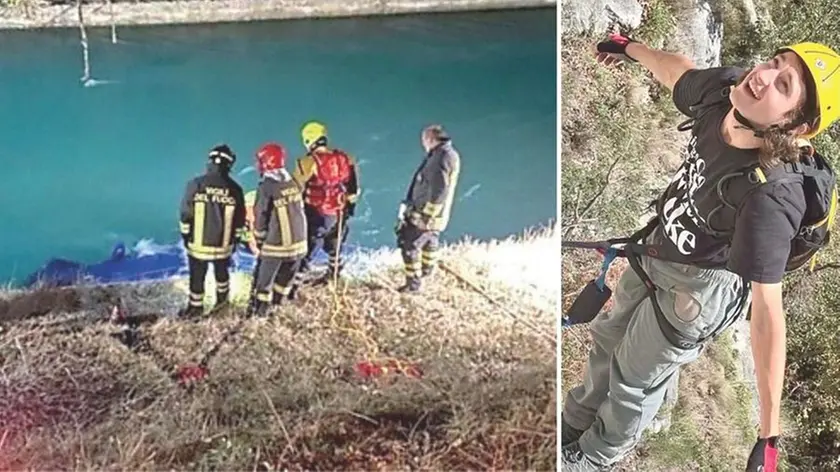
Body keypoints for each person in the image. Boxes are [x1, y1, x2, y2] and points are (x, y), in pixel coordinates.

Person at [560, 33, 840, 472]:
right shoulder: (723, 94)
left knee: (634, 380)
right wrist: (629, 47)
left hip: (700, 290)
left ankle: (594, 456)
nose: (763, 76)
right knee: (608, 341)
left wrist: (768, 436)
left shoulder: (772, 195)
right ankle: (574, 422)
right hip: (657, 246)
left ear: (796, 125)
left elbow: (768, 313)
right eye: (774, 61)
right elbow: (676, 69)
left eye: (784, 86)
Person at [178, 144, 248, 318]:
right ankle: (222, 305)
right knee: (222, 276)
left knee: (197, 278)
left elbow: (185, 214)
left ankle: (195, 310)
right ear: (229, 165)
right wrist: (235, 241)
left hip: (198, 246)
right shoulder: (235, 190)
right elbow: (240, 221)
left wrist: (186, 236)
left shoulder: (195, 184)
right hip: (223, 248)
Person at [291, 120, 360, 285]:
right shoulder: (346, 158)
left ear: (308, 141)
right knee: (335, 247)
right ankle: (334, 275)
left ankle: (293, 288)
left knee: (306, 252)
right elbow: (354, 189)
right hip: (339, 213)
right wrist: (348, 209)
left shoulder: (306, 163)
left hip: (316, 214)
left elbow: (294, 190)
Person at [394, 124, 461, 292]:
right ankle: (427, 269)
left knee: (409, 245)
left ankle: (413, 285)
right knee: (430, 239)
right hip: (436, 216)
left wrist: (426, 215)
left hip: (426, 215)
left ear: (430, 139)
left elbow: (439, 190)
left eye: (424, 140)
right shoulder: (446, 154)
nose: (423, 144)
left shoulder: (441, 158)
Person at [247, 142, 309, 316]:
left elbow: (261, 218)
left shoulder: (266, 188)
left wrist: (259, 242)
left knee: (263, 283)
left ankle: (260, 313)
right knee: (283, 282)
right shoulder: (293, 183)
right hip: (300, 246)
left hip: (277, 247)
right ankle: (278, 307)